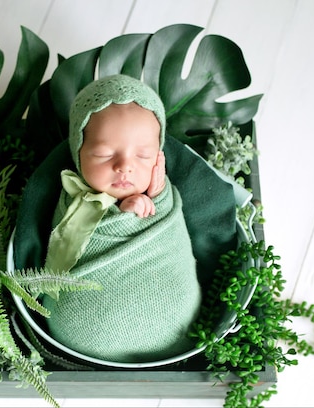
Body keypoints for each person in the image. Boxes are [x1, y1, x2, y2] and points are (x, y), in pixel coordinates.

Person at [42, 74, 202, 363]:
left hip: (170, 312)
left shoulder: (161, 193)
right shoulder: (71, 196)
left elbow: (174, 241)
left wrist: (158, 199)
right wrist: (117, 216)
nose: (124, 167)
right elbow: (64, 244)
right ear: (78, 151)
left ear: (159, 156)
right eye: (104, 154)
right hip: (81, 332)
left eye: (143, 156)